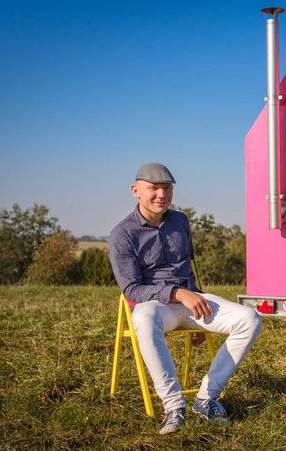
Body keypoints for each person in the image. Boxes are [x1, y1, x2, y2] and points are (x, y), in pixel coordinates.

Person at [108, 163, 261, 434]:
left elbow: (190, 268)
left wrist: (200, 308)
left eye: (167, 189)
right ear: (135, 190)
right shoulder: (122, 234)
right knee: (142, 317)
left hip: (191, 299)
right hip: (157, 306)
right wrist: (177, 294)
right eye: (153, 188)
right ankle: (174, 406)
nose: (161, 195)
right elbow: (131, 289)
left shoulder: (180, 220)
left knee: (250, 318)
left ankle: (206, 398)